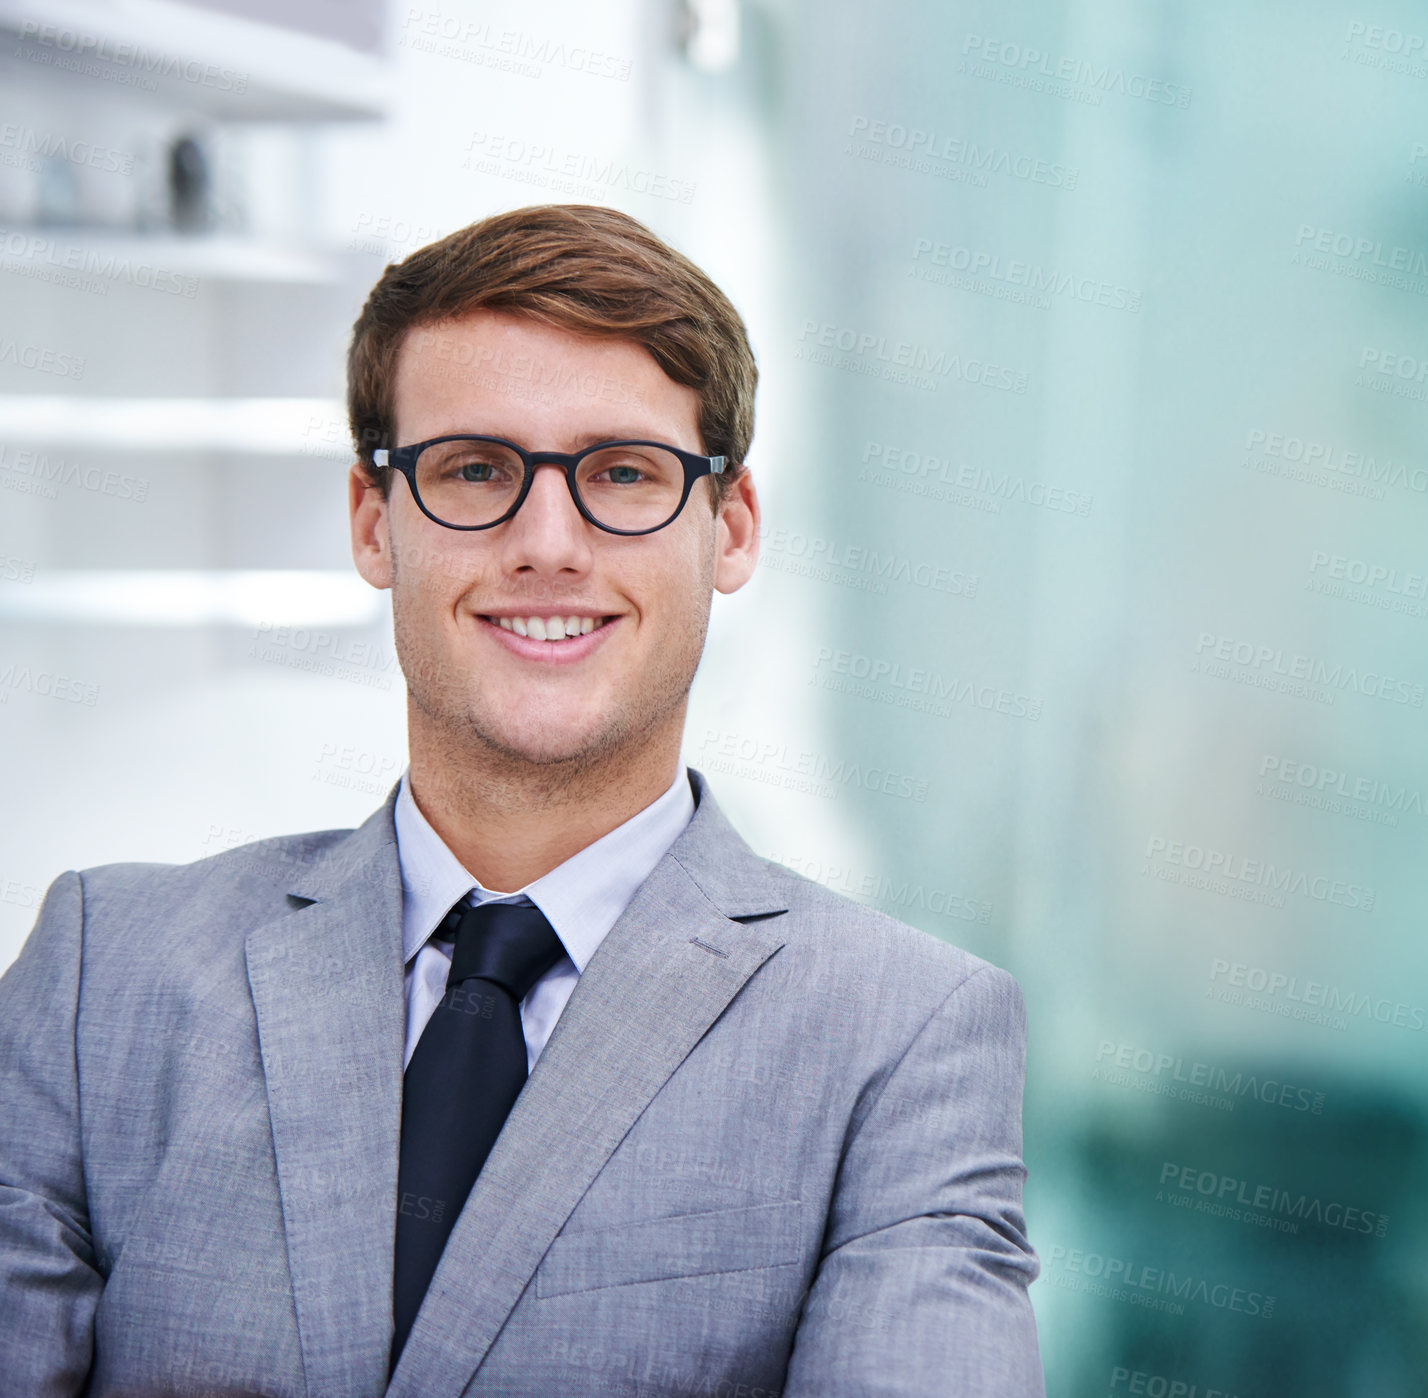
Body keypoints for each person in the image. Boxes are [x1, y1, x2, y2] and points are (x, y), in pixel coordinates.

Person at [0, 203, 1044, 1397]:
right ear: (371, 522)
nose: (548, 542)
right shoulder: (101, 981)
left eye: (624, 473)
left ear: (733, 528)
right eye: (476, 470)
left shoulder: (901, 1040)